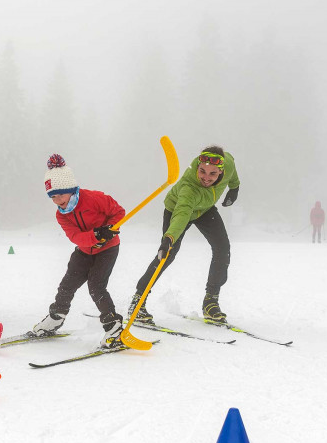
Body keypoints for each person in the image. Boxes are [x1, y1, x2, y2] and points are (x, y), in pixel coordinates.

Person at [128, 145, 240, 325]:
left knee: (222, 248)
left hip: (204, 209)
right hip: (177, 210)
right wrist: (168, 239)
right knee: (168, 254)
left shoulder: (228, 163)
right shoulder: (190, 188)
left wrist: (234, 188)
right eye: (202, 171)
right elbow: (181, 214)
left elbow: (233, 174)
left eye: (212, 174)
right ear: (198, 167)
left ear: (221, 171)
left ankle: (211, 302)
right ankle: (138, 300)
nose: (205, 178)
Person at [31, 154, 128, 348]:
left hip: (107, 250)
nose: (57, 200)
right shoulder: (62, 215)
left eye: (60, 194)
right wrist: (95, 235)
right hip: (84, 250)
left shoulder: (94, 198)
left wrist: (109, 229)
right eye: (52, 196)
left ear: (71, 189)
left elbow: (119, 212)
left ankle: (114, 326)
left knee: (96, 286)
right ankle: (56, 317)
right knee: (67, 285)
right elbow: (74, 236)